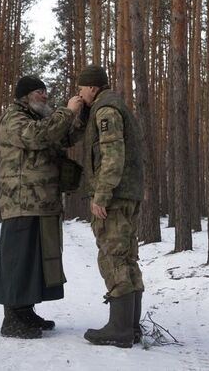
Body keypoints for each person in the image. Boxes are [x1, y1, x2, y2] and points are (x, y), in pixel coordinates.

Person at [0, 75, 84, 339]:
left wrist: (81, 113)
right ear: (25, 96)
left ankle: (25, 311)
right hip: (21, 201)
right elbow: (39, 136)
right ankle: (11, 318)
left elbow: (63, 136)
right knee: (19, 260)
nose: (45, 95)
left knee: (37, 261)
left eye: (45, 91)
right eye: (39, 91)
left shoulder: (37, 117)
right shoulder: (14, 118)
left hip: (41, 201)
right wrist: (67, 111)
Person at [77, 65, 145, 348]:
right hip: (127, 194)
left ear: (92, 87)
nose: (79, 94)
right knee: (127, 257)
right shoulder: (111, 106)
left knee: (114, 257)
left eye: (81, 89)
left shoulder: (106, 110)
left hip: (114, 198)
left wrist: (101, 195)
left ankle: (119, 330)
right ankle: (129, 327)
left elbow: (112, 156)